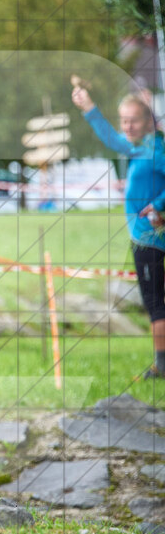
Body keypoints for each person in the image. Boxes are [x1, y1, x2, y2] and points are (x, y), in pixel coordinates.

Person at [73, 83, 165, 379]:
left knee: (154, 302)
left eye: (133, 120)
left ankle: (161, 366)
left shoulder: (154, 148)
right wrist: (89, 108)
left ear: (149, 121)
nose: (127, 125)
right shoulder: (140, 146)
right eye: (123, 119)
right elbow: (112, 139)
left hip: (151, 238)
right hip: (144, 237)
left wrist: (158, 206)